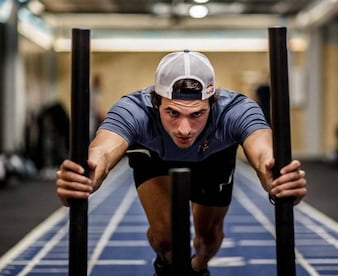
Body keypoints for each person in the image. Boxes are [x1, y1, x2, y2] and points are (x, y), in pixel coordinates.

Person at [56, 50, 307, 276]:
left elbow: (264, 150)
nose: (184, 129)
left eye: (197, 114)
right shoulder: (133, 110)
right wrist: (85, 174)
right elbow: (102, 150)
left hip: (214, 158)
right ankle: (165, 264)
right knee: (167, 239)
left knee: (208, 239)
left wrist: (275, 175)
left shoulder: (236, 110)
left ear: (212, 102)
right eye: (173, 113)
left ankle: (199, 267)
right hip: (155, 158)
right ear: (156, 102)